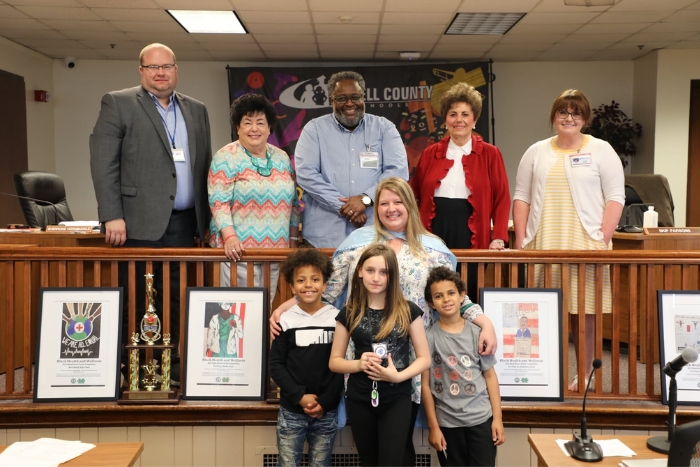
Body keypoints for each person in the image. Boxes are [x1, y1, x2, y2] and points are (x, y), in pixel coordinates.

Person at [271, 177, 497, 465]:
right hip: (364, 362)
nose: (391, 209)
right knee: (375, 448)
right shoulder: (357, 245)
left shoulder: (432, 249)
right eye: (384, 203)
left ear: (411, 205)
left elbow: (451, 295)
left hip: (414, 360)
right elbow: (327, 289)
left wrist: (484, 321)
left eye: (398, 201)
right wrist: (285, 307)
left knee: (399, 444)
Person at [90, 43, 212, 381]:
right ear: (141, 71)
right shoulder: (119, 103)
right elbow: (103, 163)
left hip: (186, 225)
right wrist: (111, 214)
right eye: (152, 67)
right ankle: (134, 370)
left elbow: (204, 167)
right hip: (135, 225)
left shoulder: (196, 109)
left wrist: (208, 220)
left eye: (167, 66)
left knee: (178, 301)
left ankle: (172, 369)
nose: (160, 72)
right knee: (138, 301)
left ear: (176, 69)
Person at [512, 89, 624, 391]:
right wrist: (520, 242)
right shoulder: (536, 151)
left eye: (576, 113)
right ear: (554, 117)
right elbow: (521, 197)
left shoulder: (602, 150)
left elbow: (615, 197)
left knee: (585, 316)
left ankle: (587, 373)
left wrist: (602, 238)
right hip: (544, 245)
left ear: (584, 119)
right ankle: (551, 373)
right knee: (547, 314)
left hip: (587, 246)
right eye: (563, 112)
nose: (569, 118)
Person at [329, 244, 431, 466]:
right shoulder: (349, 312)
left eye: (384, 272)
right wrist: (358, 363)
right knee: (369, 461)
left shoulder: (408, 310)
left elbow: (425, 358)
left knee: (392, 461)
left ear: (392, 276)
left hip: (397, 397)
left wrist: (397, 377)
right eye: (370, 270)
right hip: (360, 398)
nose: (376, 278)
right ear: (359, 272)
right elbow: (335, 362)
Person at [410, 82, 510, 303]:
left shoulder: (491, 154)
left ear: (474, 119)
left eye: (465, 114)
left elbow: (502, 199)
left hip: (471, 231)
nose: (459, 120)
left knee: (467, 288)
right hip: (434, 230)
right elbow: (412, 195)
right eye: (453, 114)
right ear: (445, 119)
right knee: (432, 288)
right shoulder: (429, 153)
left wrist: (499, 237)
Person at [295, 70, 409, 248]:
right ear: (331, 100)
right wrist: (346, 208)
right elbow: (306, 174)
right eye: (341, 98)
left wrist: (365, 200)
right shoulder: (314, 130)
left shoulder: (384, 128)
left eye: (355, 97)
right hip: (323, 238)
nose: (350, 103)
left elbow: (398, 172)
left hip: (374, 234)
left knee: (373, 277)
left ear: (363, 97)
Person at [208, 93, 301, 302]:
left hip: (275, 253)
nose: (254, 128)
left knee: (264, 309)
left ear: (269, 127)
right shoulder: (226, 156)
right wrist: (230, 237)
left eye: (260, 122)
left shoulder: (281, 157)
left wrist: (293, 242)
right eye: (247, 123)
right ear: (237, 127)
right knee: (236, 311)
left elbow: (293, 204)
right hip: (238, 252)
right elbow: (218, 202)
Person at [422, 266, 504, 467]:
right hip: (447, 425)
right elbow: (425, 385)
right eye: (439, 296)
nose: (446, 299)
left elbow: (490, 377)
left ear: (462, 297)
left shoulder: (478, 334)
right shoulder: (428, 338)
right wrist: (434, 427)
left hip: (481, 421)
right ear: (431, 303)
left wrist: (498, 419)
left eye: (451, 293)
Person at [269, 249, 342, 467]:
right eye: (301, 280)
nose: (308, 285)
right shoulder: (286, 320)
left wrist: (326, 401)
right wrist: (299, 396)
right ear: (292, 287)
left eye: (315, 279)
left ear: (325, 284)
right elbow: (277, 366)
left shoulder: (338, 319)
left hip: (326, 411)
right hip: (292, 411)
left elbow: (342, 366)